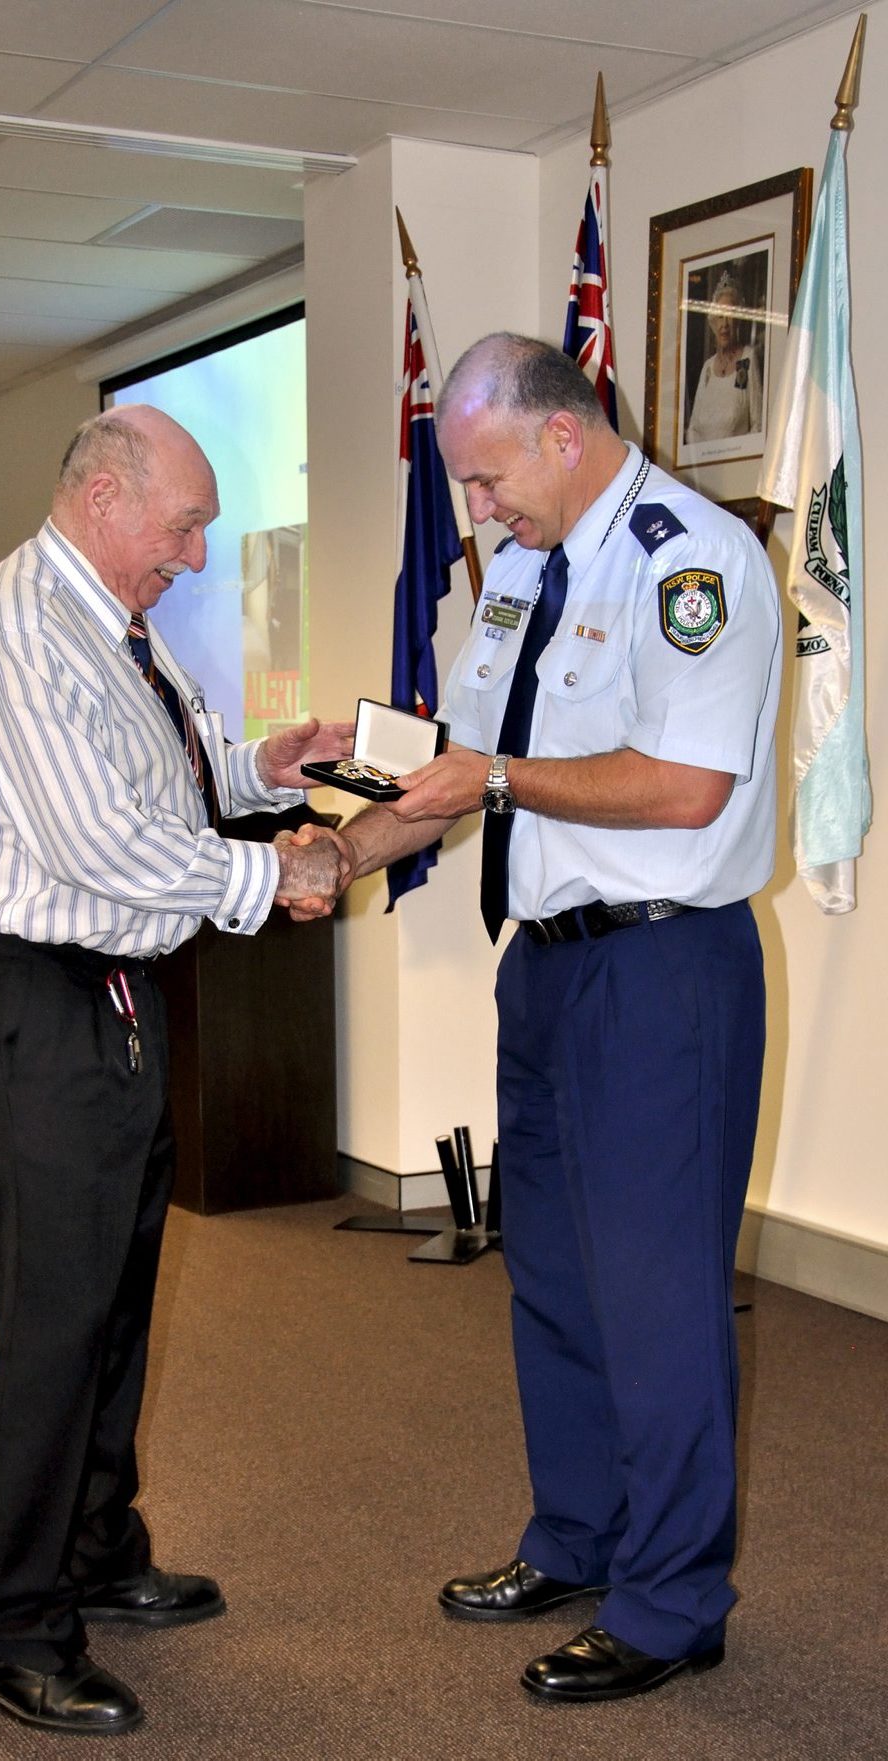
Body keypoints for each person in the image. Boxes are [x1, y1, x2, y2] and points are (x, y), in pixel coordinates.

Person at [289, 334, 781, 1704]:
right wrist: (335, 856)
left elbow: (685, 788)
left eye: (491, 477)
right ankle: (578, 1538)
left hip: (663, 973)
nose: (482, 510)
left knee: (659, 1297)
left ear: (562, 434)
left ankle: (673, 1602)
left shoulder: (692, 563)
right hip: (548, 968)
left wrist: (496, 773)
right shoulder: (511, 575)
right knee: (554, 1273)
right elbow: (453, 773)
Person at [0, 406, 349, 1737]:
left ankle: (95, 1549)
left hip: (105, 994)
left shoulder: (108, 623)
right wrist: (268, 871)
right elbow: (97, 843)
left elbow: (149, 776)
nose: (199, 550)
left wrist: (256, 769)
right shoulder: (10, 633)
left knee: (114, 1294)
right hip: (29, 998)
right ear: (105, 498)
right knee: (59, 1316)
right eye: (185, 523)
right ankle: (6, 1625)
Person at [685, 270, 764, 445]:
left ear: (738, 320)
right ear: (713, 322)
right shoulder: (707, 367)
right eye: (720, 317)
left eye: (730, 316)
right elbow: (693, 429)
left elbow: (758, 425)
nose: (725, 325)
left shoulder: (747, 359)